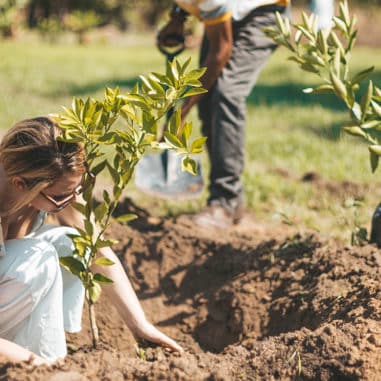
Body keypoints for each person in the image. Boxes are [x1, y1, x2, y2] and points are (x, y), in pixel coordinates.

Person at [0, 117, 183, 365]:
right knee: (38, 256)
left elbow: (94, 245)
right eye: (63, 195)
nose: (75, 198)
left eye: (80, 187)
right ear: (20, 184)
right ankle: (35, 359)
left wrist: (140, 325)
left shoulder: (48, 170)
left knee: (72, 242)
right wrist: (34, 363)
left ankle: (38, 345)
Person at [158, 0, 290, 229]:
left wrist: (181, 112)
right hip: (227, 14)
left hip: (264, 14)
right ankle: (228, 201)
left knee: (226, 94)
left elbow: (220, 53)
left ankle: (225, 202)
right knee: (207, 101)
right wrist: (178, 17)